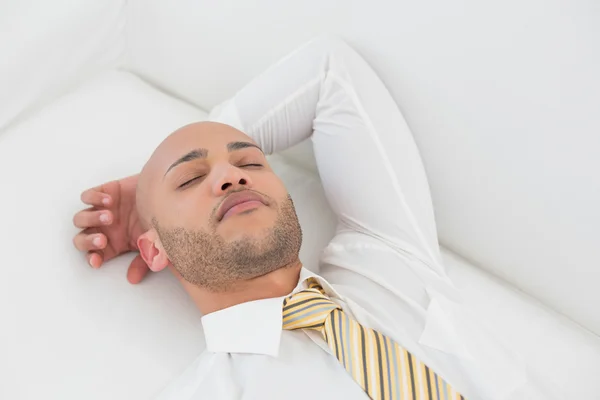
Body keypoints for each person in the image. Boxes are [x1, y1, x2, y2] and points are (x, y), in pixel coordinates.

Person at [72, 36, 543, 400]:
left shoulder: (386, 260)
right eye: (191, 179)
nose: (231, 177)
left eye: (250, 162)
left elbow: (330, 70)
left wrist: (153, 188)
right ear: (154, 249)